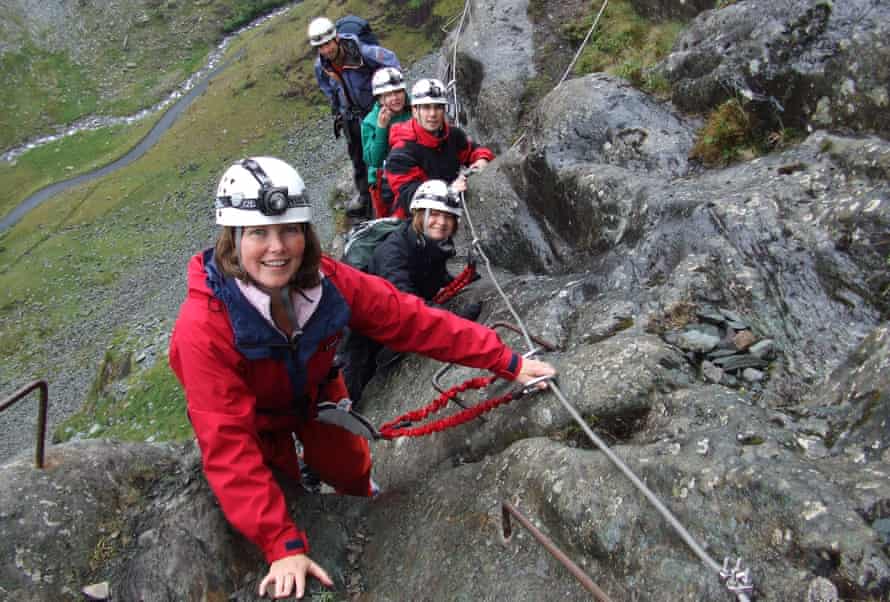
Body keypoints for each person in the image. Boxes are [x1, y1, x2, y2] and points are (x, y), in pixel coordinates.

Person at [168, 156, 557, 599]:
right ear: (233, 239)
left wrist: (505, 361)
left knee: (348, 467)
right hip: (254, 418)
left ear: (305, 234)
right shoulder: (204, 327)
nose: (277, 247)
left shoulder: (323, 281)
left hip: (316, 395)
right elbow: (228, 444)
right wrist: (282, 545)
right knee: (280, 483)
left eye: (289, 230)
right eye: (258, 233)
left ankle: (358, 492)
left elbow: (408, 319)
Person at [342, 179, 480, 404]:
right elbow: (406, 301)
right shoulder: (393, 252)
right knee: (349, 391)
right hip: (359, 327)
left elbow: (425, 275)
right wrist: (455, 321)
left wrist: (460, 279)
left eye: (448, 217)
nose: (441, 222)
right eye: (434, 215)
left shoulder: (430, 244)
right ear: (419, 215)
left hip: (385, 318)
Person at [309, 16, 400, 219]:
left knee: (383, 151)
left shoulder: (362, 52)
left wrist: (388, 97)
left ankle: (394, 191)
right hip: (350, 115)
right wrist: (337, 111)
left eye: (327, 43)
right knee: (357, 157)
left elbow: (391, 61)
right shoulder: (321, 66)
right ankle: (364, 197)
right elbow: (328, 89)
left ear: (336, 38)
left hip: (373, 111)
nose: (326, 50)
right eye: (320, 46)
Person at [380, 78, 494, 218]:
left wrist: (481, 159)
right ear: (415, 111)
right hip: (416, 220)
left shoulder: (452, 135)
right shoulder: (401, 153)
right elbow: (410, 197)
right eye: (426, 107)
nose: (433, 114)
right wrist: (449, 191)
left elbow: (472, 150)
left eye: (438, 107)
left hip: (450, 208)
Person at [361, 67, 412, 218]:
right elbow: (374, 160)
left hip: (414, 169)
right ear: (380, 98)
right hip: (384, 180)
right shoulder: (370, 122)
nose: (395, 97)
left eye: (398, 92)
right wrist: (382, 128)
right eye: (389, 94)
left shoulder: (415, 109)